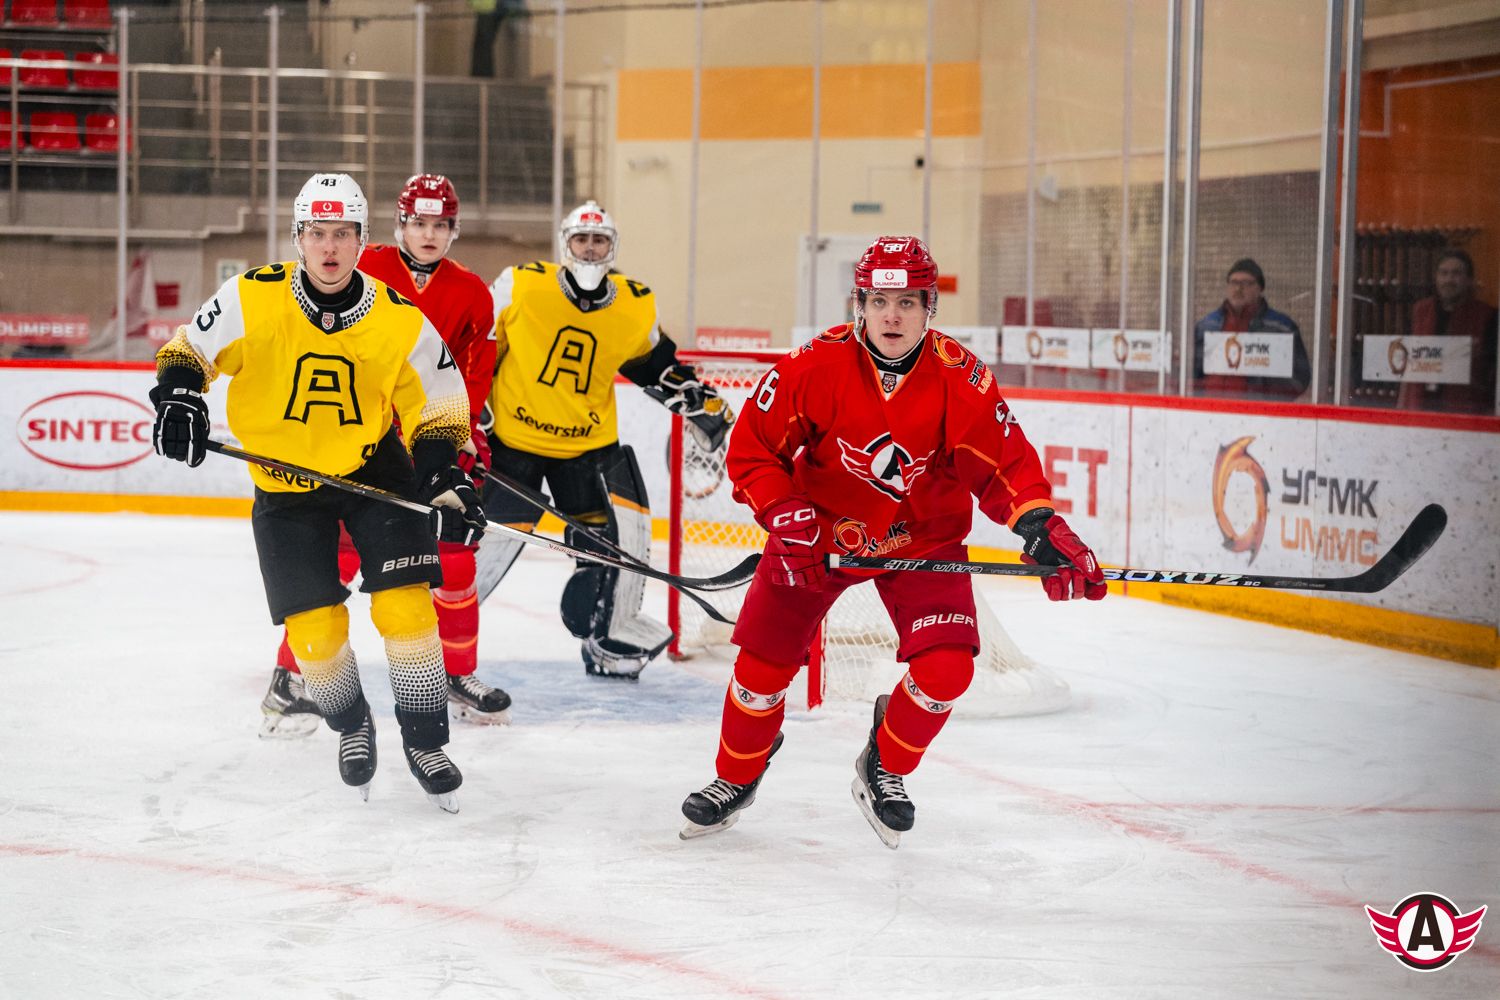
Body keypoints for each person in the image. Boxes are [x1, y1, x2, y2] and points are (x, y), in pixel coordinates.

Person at [678, 236, 1106, 848]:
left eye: (907, 302)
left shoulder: (960, 377)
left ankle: (883, 765)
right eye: (879, 301)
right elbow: (753, 449)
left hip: (922, 541)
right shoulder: (814, 365)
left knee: (947, 670)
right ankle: (736, 777)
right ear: (860, 304)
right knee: (759, 670)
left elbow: (1005, 464)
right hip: (816, 537)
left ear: (929, 307)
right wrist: (783, 512)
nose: (892, 316)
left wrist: (1039, 525)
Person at [149, 172, 486, 811]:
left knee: (407, 610)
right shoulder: (252, 297)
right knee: (314, 634)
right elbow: (188, 350)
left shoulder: (397, 317)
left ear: (363, 239)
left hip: (372, 471)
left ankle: (425, 741)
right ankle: (352, 722)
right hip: (284, 488)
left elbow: (439, 402)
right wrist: (179, 396)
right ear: (298, 237)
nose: (329, 247)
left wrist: (442, 473)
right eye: (317, 233)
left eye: (343, 234)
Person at [260, 173, 510, 737]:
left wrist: (458, 434)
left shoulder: (473, 293)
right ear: (398, 225)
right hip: (363, 444)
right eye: (418, 222)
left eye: (440, 224)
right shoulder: (358, 264)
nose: (429, 234)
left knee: (455, 560)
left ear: (454, 230)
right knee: (334, 560)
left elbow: (473, 374)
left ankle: (456, 673)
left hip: (430, 443)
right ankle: (291, 679)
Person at [477, 200, 734, 679]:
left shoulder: (634, 303)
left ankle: (606, 641)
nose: (591, 248)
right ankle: (437, 640)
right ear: (565, 244)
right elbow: (479, 344)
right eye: (582, 239)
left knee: (609, 548)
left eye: (599, 240)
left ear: (612, 247)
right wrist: (472, 408)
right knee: (483, 547)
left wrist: (698, 402)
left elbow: (656, 364)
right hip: (514, 445)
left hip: (586, 449)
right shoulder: (522, 284)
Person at [1192, 258, 1310, 400]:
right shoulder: (1207, 325)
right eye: (1233, 282)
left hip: (1256, 410)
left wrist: (1268, 401)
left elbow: (1299, 378)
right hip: (1210, 408)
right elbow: (1190, 370)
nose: (1238, 289)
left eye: (1246, 283)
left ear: (1260, 289)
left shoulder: (1281, 327)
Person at [1400, 248, 1498, 414]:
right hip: (1419, 410)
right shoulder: (1420, 311)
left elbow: (1492, 374)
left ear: (1469, 280)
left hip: (1465, 412)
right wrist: (1401, 408)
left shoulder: (1487, 316)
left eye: (1456, 273)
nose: (1449, 280)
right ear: (1436, 278)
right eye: (1443, 273)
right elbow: (1407, 363)